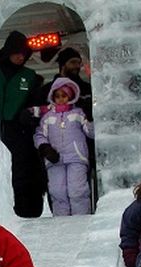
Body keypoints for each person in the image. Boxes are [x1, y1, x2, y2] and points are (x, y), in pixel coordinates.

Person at [0, 30, 46, 217]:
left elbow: (37, 103)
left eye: (24, 54)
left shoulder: (30, 76)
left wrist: (29, 114)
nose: (20, 57)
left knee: (25, 172)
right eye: (17, 52)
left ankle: (28, 210)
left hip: (22, 133)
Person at [33, 77, 94, 216]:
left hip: (76, 157)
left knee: (77, 190)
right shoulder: (47, 116)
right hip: (55, 159)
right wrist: (44, 148)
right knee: (57, 191)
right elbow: (39, 135)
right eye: (57, 96)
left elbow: (91, 133)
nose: (61, 99)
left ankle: (81, 220)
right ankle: (62, 223)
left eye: (64, 95)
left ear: (71, 95)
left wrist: (90, 117)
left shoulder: (78, 113)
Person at [36, 47, 93, 118]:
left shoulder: (87, 88)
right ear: (62, 65)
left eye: (79, 63)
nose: (77, 66)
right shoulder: (46, 90)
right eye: (73, 62)